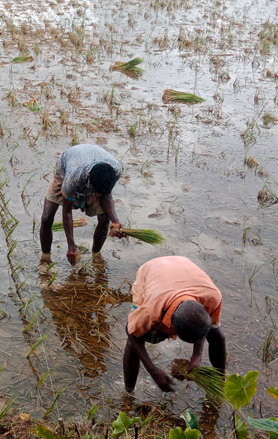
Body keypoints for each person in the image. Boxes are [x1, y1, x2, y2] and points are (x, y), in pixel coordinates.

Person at [122, 256, 227, 394]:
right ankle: (129, 391)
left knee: (218, 336)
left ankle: (220, 384)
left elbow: (204, 327)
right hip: (151, 271)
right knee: (136, 338)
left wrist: (197, 355)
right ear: (170, 327)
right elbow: (131, 331)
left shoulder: (212, 297)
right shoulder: (151, 309)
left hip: (182, 265)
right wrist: (152, 369)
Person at [39, 144, 123, 265]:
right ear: (89, 179)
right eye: (97, 192)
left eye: (100, 193)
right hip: (65, 171)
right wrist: (71, 246)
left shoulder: (115, 171)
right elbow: (67, 212)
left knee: (105, 218)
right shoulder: (72, 177)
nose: (98, 196)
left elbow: (106, 193)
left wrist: (116, 222)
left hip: (93, 171)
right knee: (46, 217)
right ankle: (45, 258)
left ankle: (96, 255)